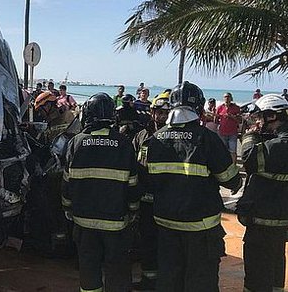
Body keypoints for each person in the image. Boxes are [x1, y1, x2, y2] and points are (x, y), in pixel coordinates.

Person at [139, 81, 242, 292]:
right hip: (201, 227)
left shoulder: (155, 140)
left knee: (169, 278)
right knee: (200, 281)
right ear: (199, 107)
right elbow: (230, 179)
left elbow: (146, 179)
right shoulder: (207, 139)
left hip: (165, 223)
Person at [62, 92, 139, 292]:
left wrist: (68, 208)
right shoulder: (124, 144)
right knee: (117, 269)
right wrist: (132, 210)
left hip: (83, 221)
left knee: (88, 267)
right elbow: (132, 184)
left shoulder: (75, 143)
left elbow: (66, 183)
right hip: (116, 223)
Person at [236, 94, 288, 292]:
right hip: (280, 220)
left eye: (260, 118)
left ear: (272, 117)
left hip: (263, 219)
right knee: (275, 265)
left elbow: (249, 159)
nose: (258, 122)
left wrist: (249, 135)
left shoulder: (278, 145)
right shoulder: (277, 141)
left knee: (257, 274)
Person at [131, 91, 171, 290]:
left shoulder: (174, 138)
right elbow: (132, 163)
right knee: (147, 241)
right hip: (145, 201)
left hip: (167, 201)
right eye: (157, 112)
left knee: (166, 244)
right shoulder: (141, 136)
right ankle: (148, 280)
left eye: (164, 113)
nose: (160, 117)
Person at [217, 92, 241, 164]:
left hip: (232, 132)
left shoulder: (236, 108)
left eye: (228, 97)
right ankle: (225, 165)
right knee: (223, 151)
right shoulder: (220, 107)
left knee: (233, 151)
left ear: (231, 98)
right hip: (222, 132)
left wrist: (232, 117)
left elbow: (239, 120)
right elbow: (216, 118)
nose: (227, 98)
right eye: (225, 97)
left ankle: (233, 166)